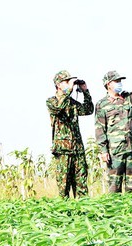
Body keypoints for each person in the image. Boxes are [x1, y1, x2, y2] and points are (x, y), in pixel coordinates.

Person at [47, 70, 94, 198]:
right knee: (64, 189)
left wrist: (85, 91)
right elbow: (59, 108)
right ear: (58, 85)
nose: (69, 84)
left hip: (77, 150)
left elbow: (88, 109)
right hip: (63, 151)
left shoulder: (72, 103)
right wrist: (69, 90)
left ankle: (84, 215)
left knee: (82, 187)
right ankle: (64, 216)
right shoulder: (52, 102)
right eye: (66, 82)